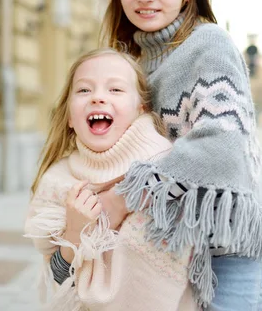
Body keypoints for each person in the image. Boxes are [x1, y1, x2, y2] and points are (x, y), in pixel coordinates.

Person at [95, 0, 262, 310]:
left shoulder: (207, 44)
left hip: (232, 250)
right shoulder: (131, 63)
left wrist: (124, 196)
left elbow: (221, 144)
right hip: (177, 249)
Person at [25, 48, 198, 311]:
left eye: (115, 90)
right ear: (70, 116)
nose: (97, 97)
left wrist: (122, 199)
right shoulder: (58, 181)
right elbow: (58, 278)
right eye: (84, 90)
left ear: (140, 108)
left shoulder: (169, 168)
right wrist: (74, 233)